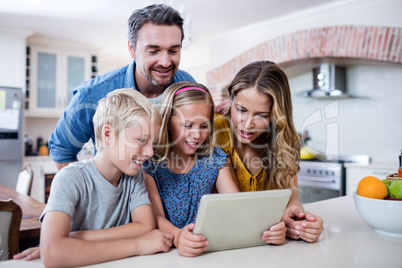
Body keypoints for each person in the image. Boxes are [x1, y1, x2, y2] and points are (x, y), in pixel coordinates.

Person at [14, 89, 173, 266]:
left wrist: (75, 238)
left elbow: (145, 227)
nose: (150, 152)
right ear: (108, 135)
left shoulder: (134, 178)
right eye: (141, 140)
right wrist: (137, 245)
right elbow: (53, 253)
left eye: (153, 143)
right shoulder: (70, 178)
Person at [143, 81, 288, 257]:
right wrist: (178, 236)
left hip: (210, 251)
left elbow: (238, 206)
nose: (197, 135)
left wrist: (270, 230)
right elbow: (155, 217)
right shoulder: (150, 163)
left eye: (204, 126)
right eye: (188, 125)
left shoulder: (215, 159)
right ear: (167, 122)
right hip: (167, 254)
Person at [48, 4, 195, 170]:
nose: (165, 62)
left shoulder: (188, 86)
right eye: (153, 51)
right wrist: (95, 192)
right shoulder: (92, 94)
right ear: (132, 49)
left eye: (173, 51)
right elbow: (61, 150)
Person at [215, 61, 324, 243]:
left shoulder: (284, 141)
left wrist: (299, 222)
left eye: (261, 115)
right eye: (241, 110)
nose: (248, 124)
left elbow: (292, 201)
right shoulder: (213, 131)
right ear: (231, 99)